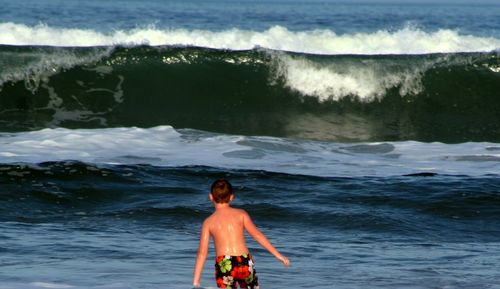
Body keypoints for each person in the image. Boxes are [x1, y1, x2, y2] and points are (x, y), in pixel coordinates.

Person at [193, 179, 289, 288]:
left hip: (224, 263)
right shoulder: (241, 214)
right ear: (231, 197)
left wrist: (196, 281)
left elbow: (202, 253)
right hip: (244, 261)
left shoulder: (209, 222)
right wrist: (278, 255)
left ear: (211, 197)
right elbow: (257, 235)